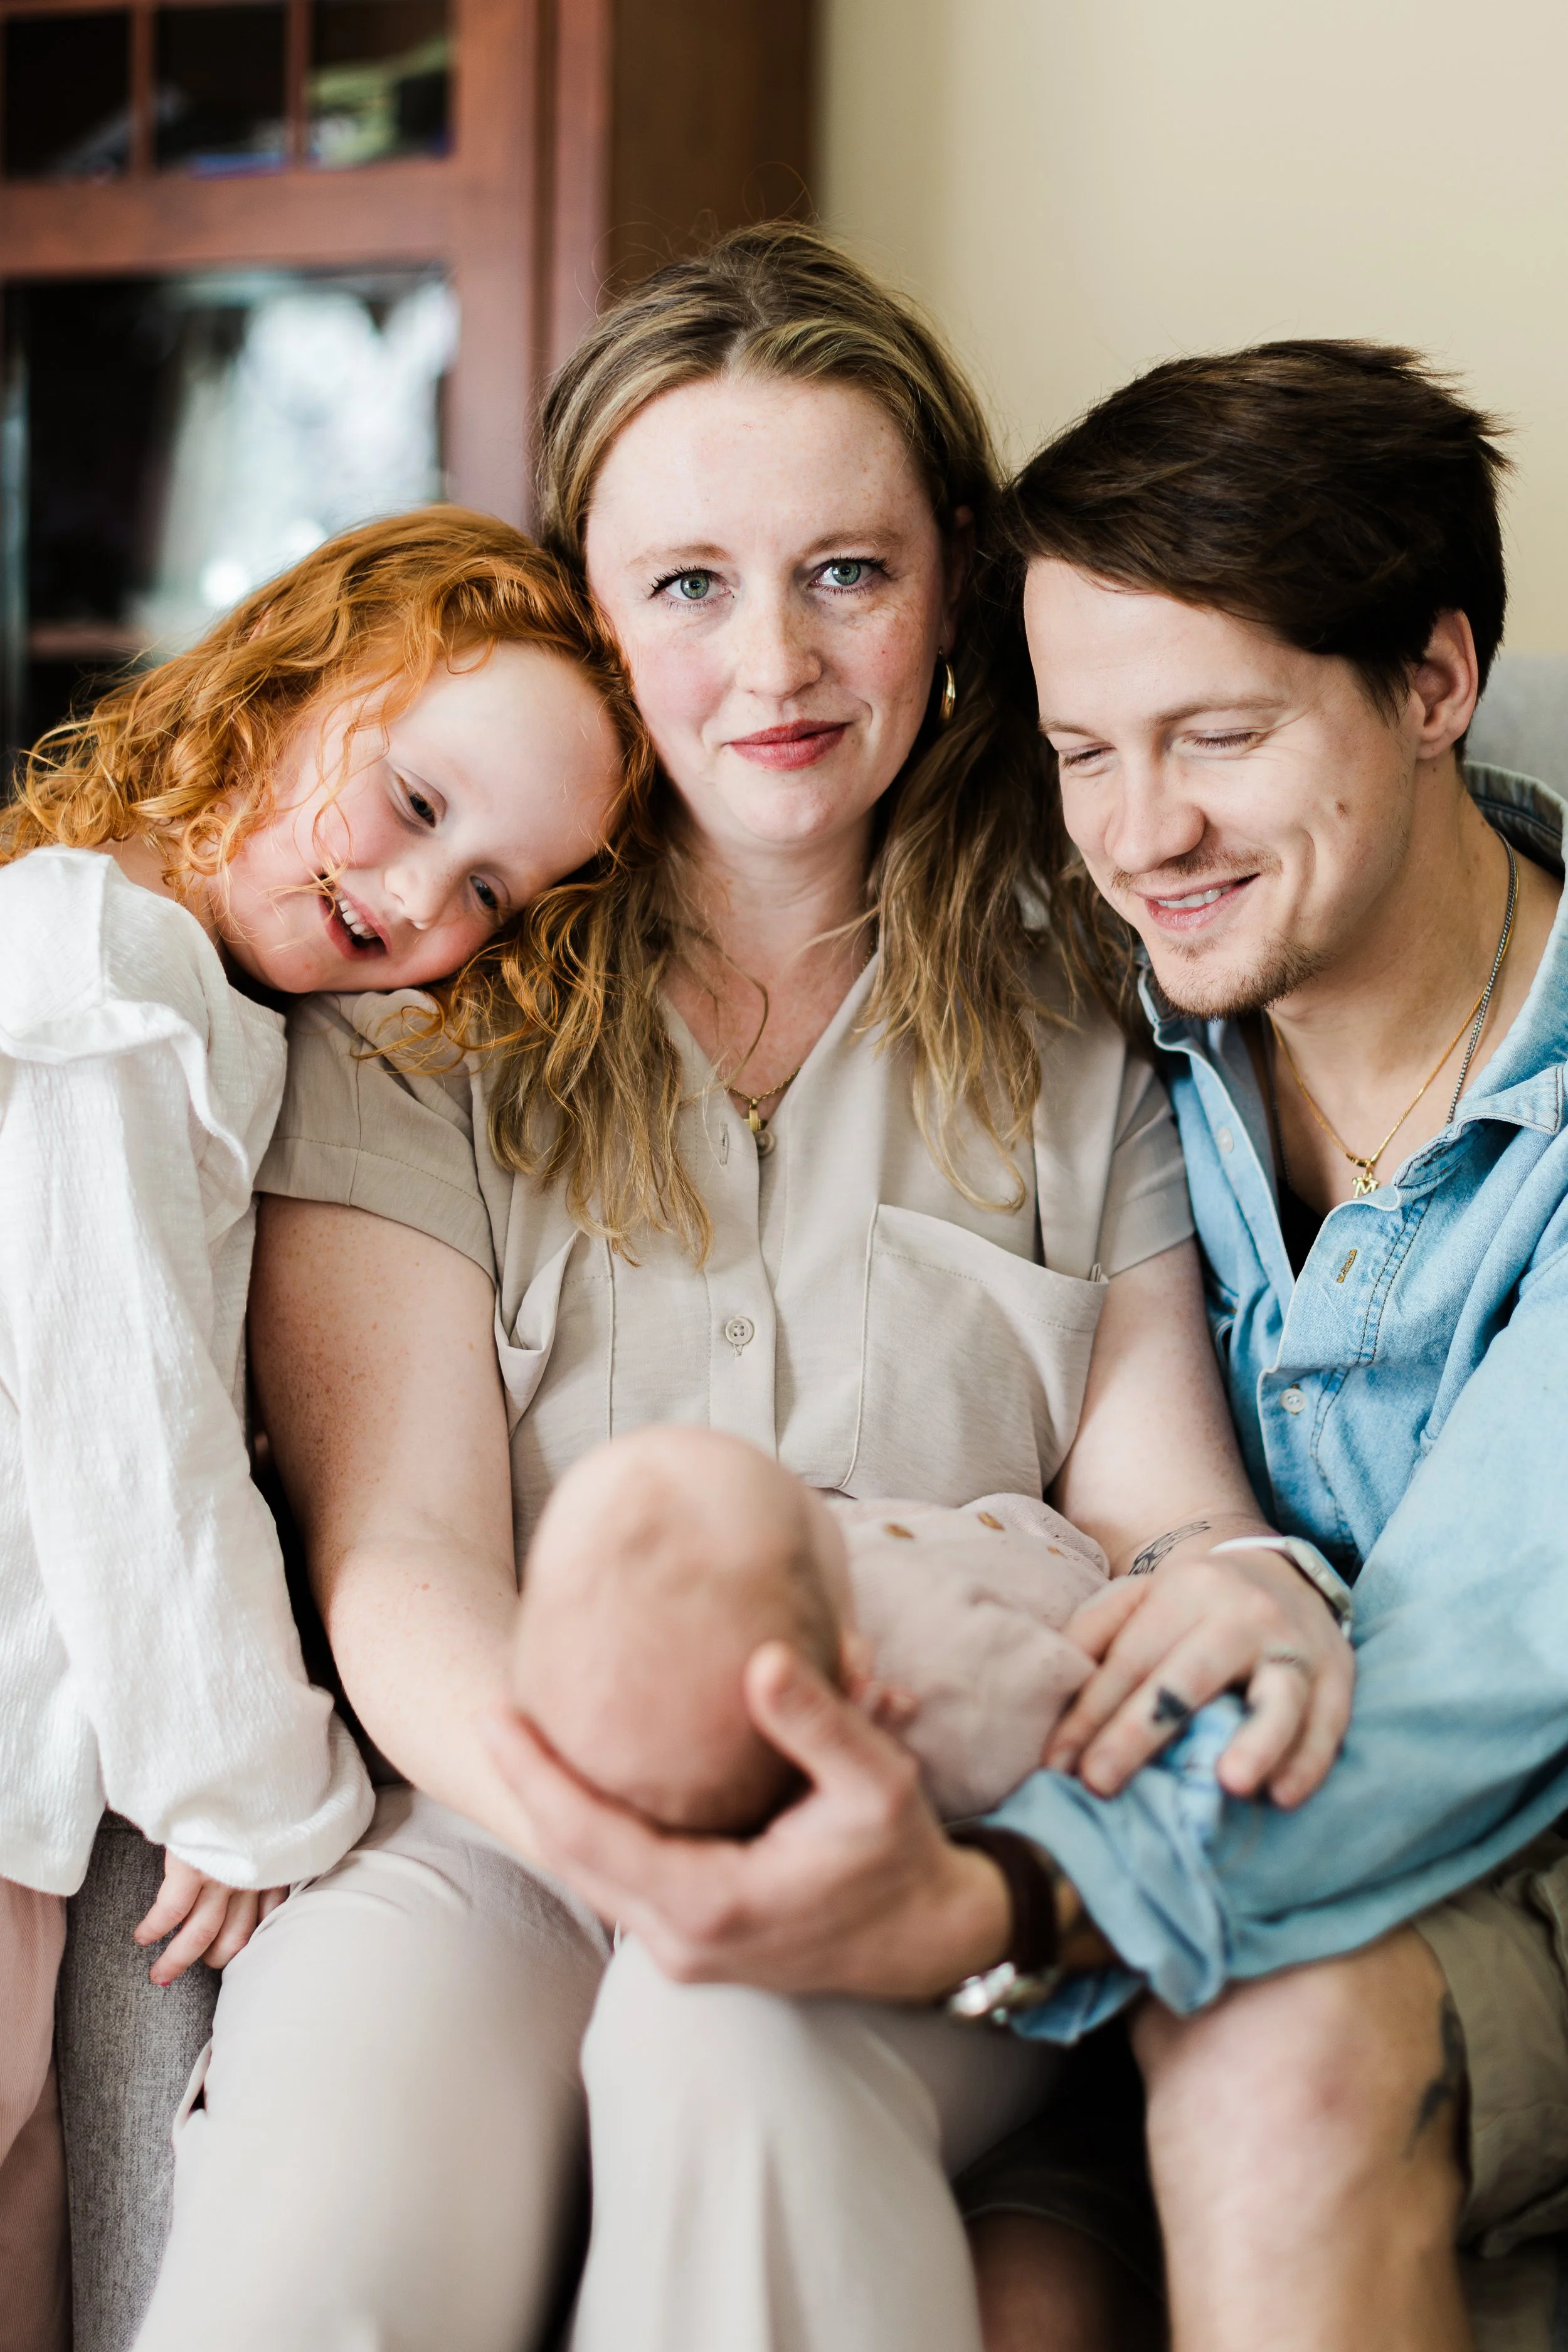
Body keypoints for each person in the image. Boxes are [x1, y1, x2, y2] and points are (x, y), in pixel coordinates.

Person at [136, 226, 1354, 2352]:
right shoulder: (432, 1013)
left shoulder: (1096, 1000)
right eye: (688, 582)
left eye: (846, 573)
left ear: (953, 581)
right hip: (506, 1804)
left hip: (934, 1794)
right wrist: (608, 1827)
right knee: (326, 2217)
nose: (771, 663)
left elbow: (1159, 1479)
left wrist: (1244, 1580)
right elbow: (405, 1557)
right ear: (595, 612)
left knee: (740, 2046)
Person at [493, 336, 1568, 2352]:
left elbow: (1459, 1685)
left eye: (1216, 737)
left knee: (1275, 2056)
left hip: (1500, 1805)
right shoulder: (1124, 1004)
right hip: (1175, 1797)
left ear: (1431, 683)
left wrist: (1006, 1899)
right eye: (1085, 751)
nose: (1141, 830)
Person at [3, 504, 637, 2352]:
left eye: (494, 894)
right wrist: (262, 1791)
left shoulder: (194, 1003)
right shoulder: (108, 995)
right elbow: (135, 1452)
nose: (427, 912)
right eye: (420, 805)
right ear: (291, 673)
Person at [512, 1426, 1108, 1833]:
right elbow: (1095, 1688)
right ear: (854, 1671)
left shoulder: (782, 1598)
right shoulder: (966, 1678)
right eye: (805, 1511)